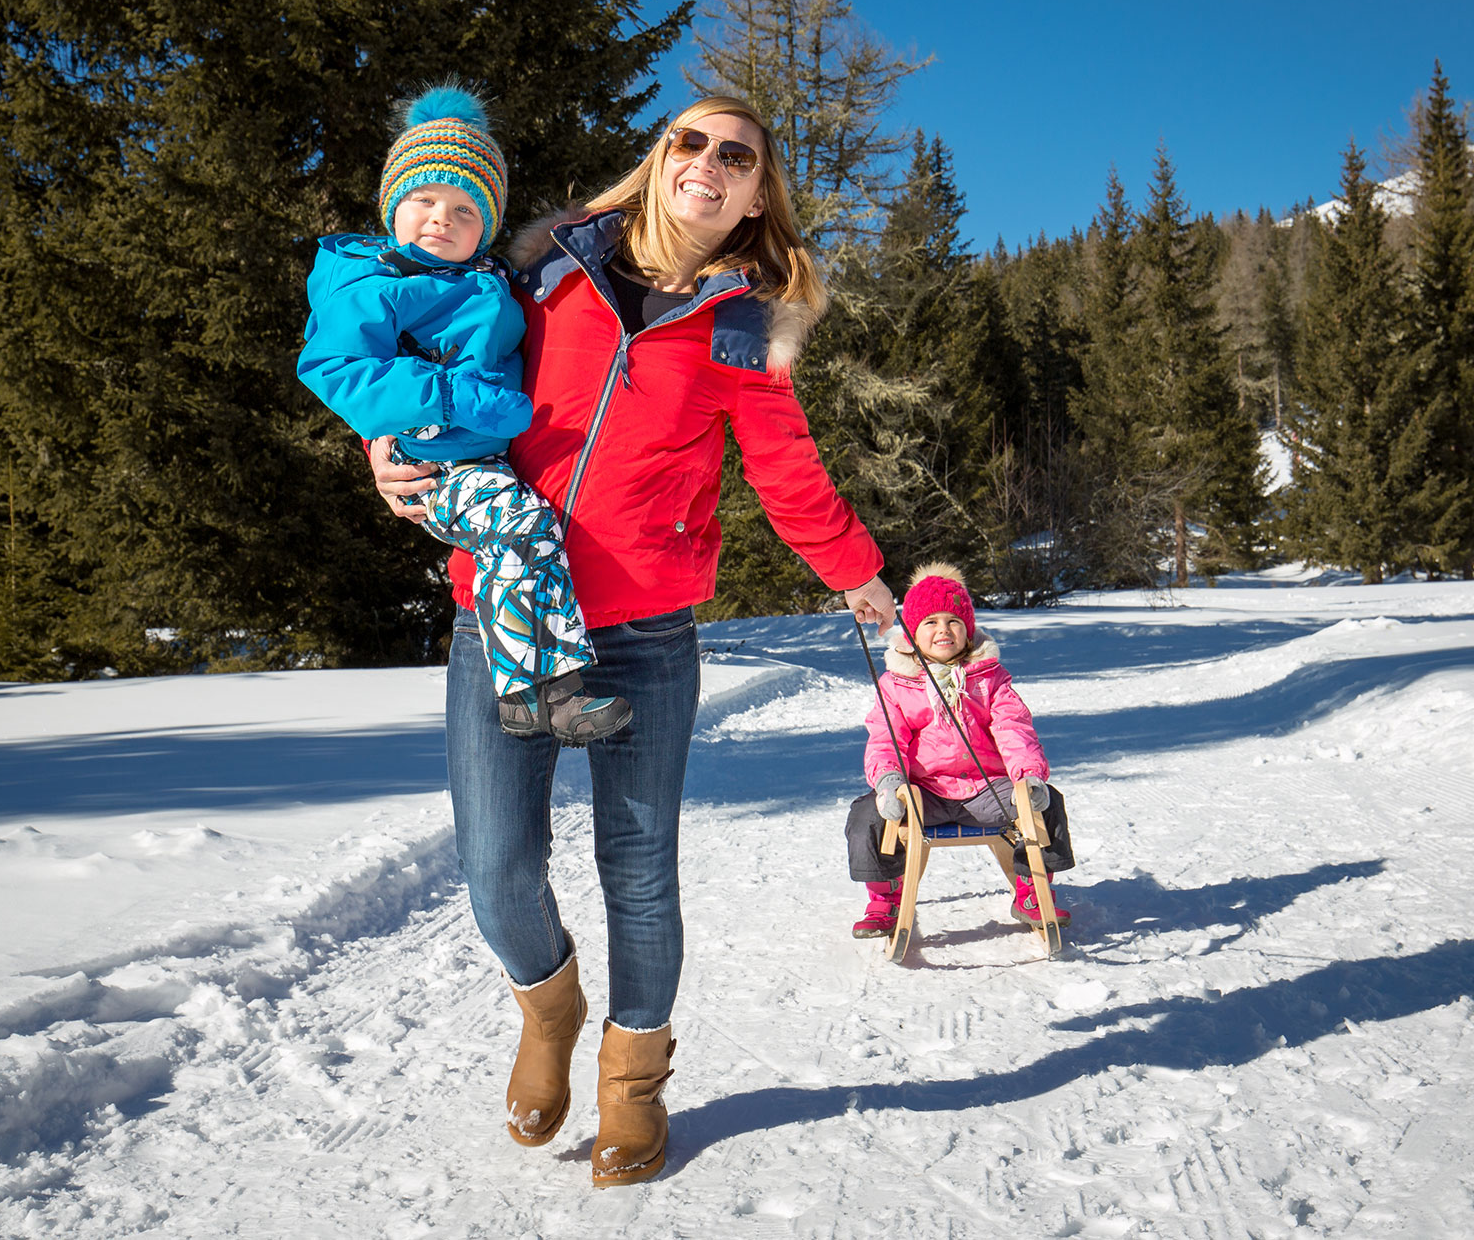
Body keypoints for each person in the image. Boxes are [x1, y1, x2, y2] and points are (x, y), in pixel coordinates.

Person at [367, 96, 896, 1188]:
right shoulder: (543, 271)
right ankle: (547, 1008)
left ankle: (632, 1088)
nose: (707, 162)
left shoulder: (743, 327)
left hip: (646, 631)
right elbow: (426, 362)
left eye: (736, 155)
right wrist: (382, 449)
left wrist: (858, 573)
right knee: (493, 864)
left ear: (755, 197)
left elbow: (787, 475)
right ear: (660, 162)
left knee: (638, 871)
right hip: (501, 611)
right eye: (690, 141)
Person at [298, 85, 630, 745]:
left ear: (486, 224)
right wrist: (450, 397)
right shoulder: (371, 283)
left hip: (484, 457)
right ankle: (542, 691)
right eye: (423, 200)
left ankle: (542, 696)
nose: (440, 218)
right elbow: (334, 369)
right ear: (393, 206)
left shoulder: (487, 279)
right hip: (435, 459)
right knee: (519, 524)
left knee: (527, 536)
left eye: (464, 209)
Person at [847, 562, 1077, 937]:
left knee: (1045, 802)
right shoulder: (897, 684)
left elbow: (1013, 728)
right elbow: (887, 738)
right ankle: (885, 900)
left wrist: (1028, 777)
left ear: (968, 631)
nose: (943, 630)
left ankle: (1032, 887)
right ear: (912, 634)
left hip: (987, 790)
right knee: (867, 815)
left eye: (953, 621)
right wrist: (890, 782)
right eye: (931, 622)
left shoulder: (989, 679)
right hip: (924, 795)